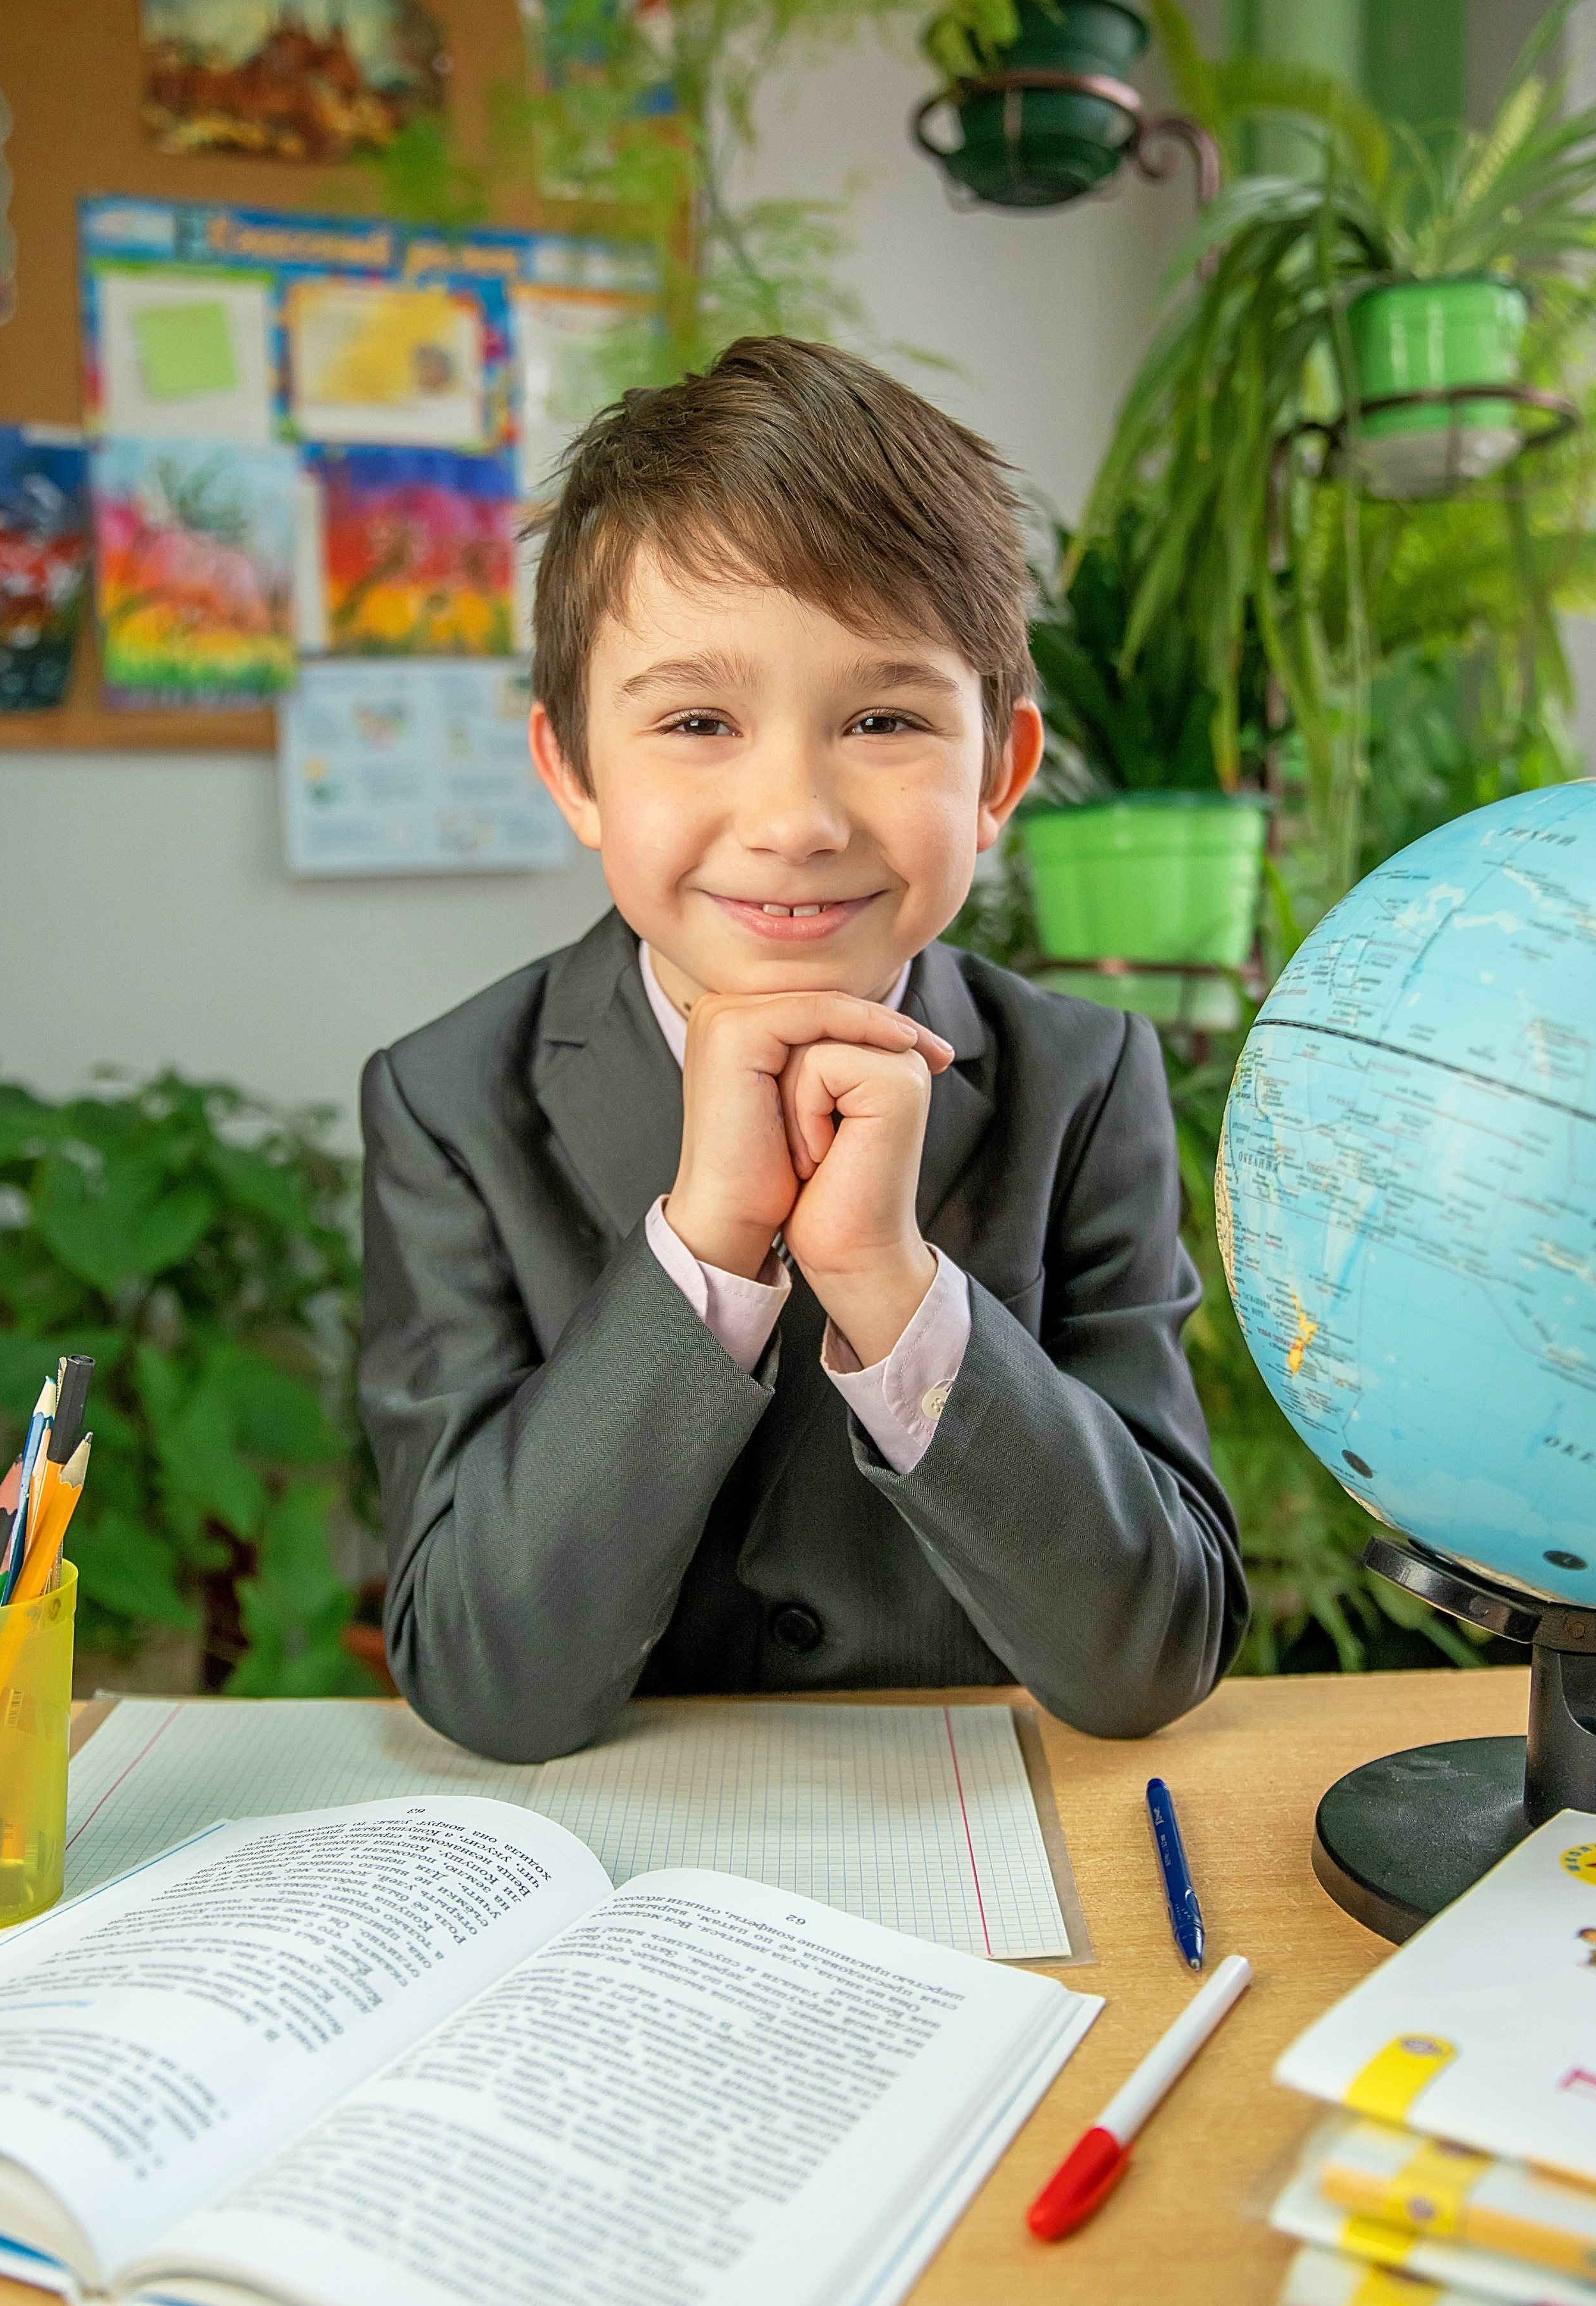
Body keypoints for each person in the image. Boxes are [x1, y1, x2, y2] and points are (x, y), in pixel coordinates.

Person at [359, 336, 1246, 1763]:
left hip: (974, 1846)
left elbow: (1148, 1654)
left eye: (883, 720)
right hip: (615, 1862)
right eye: (698, 721)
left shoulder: (1081, 1082)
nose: (795, 818)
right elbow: (482, 1677)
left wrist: (892, 1289)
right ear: (574, 770)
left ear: (997, 776)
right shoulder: (450, 1099)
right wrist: (705, 1247)